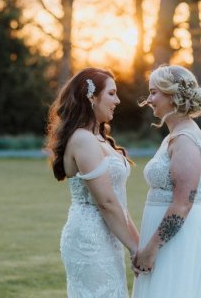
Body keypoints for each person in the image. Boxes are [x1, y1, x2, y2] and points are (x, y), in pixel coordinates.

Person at [46, 68, 139, 298]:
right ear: (91, 97)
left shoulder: (100, 138)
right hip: (90, 238)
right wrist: (135, 249)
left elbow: (119, 203)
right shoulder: (82, 139)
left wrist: (140, 244)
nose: (117, 100)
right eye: (112, 93)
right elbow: (106, 202)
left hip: (109, 233)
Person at [132, 65, 201, 298]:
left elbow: (183, 204)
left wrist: (151, 248)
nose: (149, 99)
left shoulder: (185, 139)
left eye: (154, 92)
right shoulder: (175, 134)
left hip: (180, 237)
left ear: (172, 95)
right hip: (167, 236)